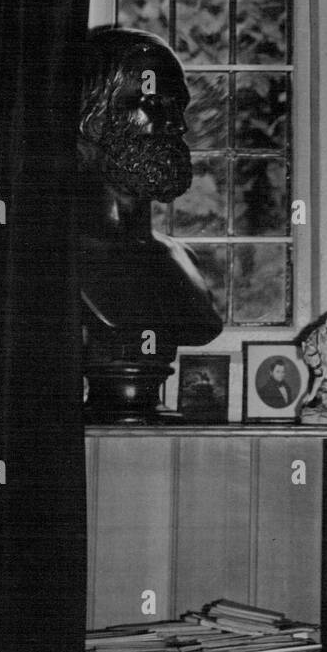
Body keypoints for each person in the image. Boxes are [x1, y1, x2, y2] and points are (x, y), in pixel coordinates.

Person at [78, 27, 222, 420]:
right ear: (92, 117)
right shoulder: (58, 258)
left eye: (180, 106)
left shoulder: (184, 260)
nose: (179, 125)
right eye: (154, 103)